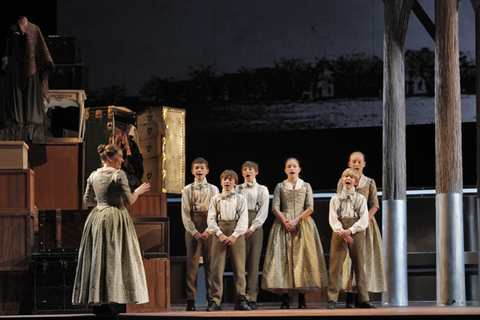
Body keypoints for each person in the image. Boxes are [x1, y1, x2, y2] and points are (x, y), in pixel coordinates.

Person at [72, 144, 150, 316]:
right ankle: (111, 299)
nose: (122, 160)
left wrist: (101, 199)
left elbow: (87, 201)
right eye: (120, 157)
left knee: (98, 257)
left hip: (97, 217)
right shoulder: (118, 174)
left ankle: (99, 301)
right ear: (109, 158)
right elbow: (129, 200)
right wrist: (138, 191)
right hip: (115, 217)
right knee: (114, 258)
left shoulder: (93, 175)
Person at [262, 158, 328, 309]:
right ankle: (285, 298)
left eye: (294, 166)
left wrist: (296, 221)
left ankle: (302, 297)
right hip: (282, 225)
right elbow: (275, 207)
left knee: (302, 260)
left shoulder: (306, 185)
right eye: (289, 166)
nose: (292, 168)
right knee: (283, 259)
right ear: (285, 170)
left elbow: (310, 207)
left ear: (299, 169)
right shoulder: (280, 186)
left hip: (302, 225)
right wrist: (286, 222)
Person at [336, 152, 386, 307]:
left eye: (359, 162)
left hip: (365, 225)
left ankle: (363, 299)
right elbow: (339, 201)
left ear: (364, 164)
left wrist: (364, 221)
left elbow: (375, 204)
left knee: (364, 259)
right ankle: (349, 299)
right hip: (347, 224)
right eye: (353, 162)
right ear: (349, 164)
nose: (356, 164)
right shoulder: (343, 180)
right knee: (348, 260)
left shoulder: (369, 182)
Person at [0, 16, 55, 143]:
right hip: (14, 68)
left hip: (31, 67)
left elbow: (40, 49)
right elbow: (7, 50)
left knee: (30, 100)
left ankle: (31, 136)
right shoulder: (11, 29)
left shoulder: (34, 29)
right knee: (16, 100)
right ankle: (16, 135)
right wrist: (6, 61)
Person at [327, 168, 376, 310]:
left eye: (351, 177)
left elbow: (364, 219)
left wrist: (350, 230)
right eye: (345, 176)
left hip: (356, 231)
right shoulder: (335, 199)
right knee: (335, 266)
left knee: (359, 265)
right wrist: (341, 231)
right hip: (339, 231)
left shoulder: (360, 199)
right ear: (342, 180)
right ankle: (332, 299)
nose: (348, 179)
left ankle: (363, 299)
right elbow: (332, 218)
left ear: (355, 182)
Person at [206, 170, 251, 311]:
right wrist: (219, 234)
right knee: (216, 267)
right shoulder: (215, 199)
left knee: (239, 267)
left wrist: (235, 235)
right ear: (221, 182)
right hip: (220, 231)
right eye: (224, 179)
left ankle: (241, 299)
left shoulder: (241, 198)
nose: (227, 182)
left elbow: (244, 219)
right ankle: (215, 300)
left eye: (230, 180)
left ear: (235, 183)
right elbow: (211, 219)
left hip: (235, 232)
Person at [181, 157, 219, 311]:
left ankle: (212, 300)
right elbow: (185, 213)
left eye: (201, 168)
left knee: (211, 264)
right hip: (193, 226)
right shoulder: (187, 189)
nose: (199, 170)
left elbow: (215, 212)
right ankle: (191, 300)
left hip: (210, 226)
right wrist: (195, 232)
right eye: (196, 168)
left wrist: (209, 231)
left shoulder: (214, 189)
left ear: (207, 171)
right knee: (192, 265)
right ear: (192, 171)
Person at [235, 161, 269, 310]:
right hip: (239, 226)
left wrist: (252, 228)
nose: (248, 172)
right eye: (245, 170)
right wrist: (242, 228)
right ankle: (240, 297)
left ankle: (252, 297)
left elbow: (263, 211)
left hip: (255, 226)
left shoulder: (262, 189)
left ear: (256, 172)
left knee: (254, 264)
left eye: (251, 169)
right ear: (242, 173)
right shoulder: (237, 188)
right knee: (239, 264)